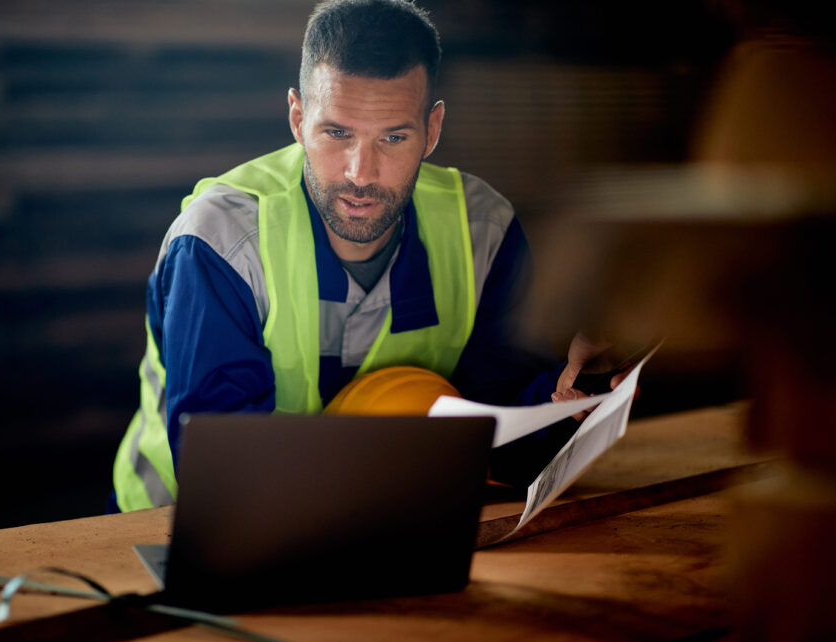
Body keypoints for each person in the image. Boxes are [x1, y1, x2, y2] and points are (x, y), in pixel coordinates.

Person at [113, 0, 607, 512]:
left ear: (432, 131)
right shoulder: (220, 241)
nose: (361, 173)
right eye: (337, 133)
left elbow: (505, 435)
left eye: (393, 137)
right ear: (298, 119)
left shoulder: (484, 229)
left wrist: (574, 398)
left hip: (397, 525)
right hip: (161, 536)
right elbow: (220, 469)